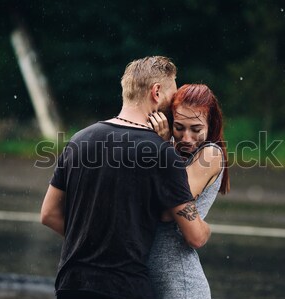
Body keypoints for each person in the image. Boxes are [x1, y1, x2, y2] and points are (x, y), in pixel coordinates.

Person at [40, 56, 211, 299]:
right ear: (156, 92)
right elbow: (195, 236)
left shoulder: (79, 140)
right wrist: (206, 229)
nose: (175, 105)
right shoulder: (163, 153)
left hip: (72, 283)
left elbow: (48, 214)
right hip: (125, 287)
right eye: (173, 95)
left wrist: (91, 243)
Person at [147, 84, 230, 299]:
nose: (186, 137)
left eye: (196, 129)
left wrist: (164, 146)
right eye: (179, 127)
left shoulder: (209, 154)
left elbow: (169, 210)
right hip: (149, 279)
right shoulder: (172, 150)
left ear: (210, 125)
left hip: (181, 283)